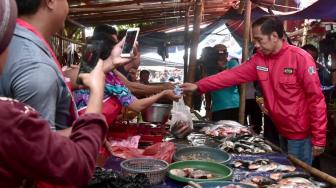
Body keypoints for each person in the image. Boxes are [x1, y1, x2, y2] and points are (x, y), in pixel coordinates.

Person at [182, 16, 327, 165]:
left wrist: (319, 139)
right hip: (280, 130)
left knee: (299, 178)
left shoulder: (300, 58)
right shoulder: (260, 60)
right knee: (288, 171)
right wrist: (199, 86)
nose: (256, 45)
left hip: (300, 135)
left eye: (259, 40)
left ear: (274, 36)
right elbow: (231, 75)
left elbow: (316, 99)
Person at [0, 0, 109, 186]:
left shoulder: (23, 40)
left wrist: (107, 65)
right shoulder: (35, 64)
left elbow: (31, 138)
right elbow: (67, 162)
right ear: (50, 2)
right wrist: (97, 91)